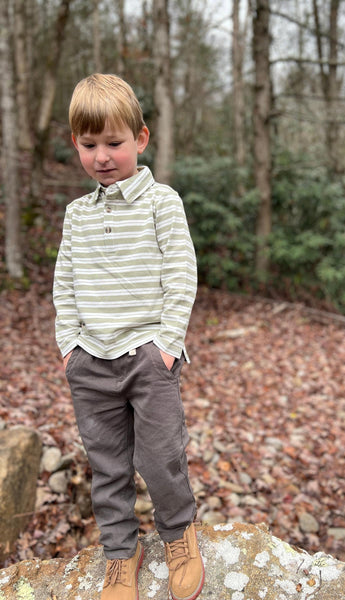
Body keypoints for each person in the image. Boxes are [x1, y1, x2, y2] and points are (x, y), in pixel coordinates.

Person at [53, 73, 204, 600]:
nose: (101, 156)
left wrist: (166, 344)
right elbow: (64, 283)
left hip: (146, 355)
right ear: (76, 144)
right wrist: (68, 346)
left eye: (113, 143)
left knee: (159, 455)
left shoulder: (162, 201)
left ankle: (179, 533)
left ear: (140, 139)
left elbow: (182, 273)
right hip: (90, 360)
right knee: (107, 464)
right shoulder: (77, 215)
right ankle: (121, 553)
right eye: (89, 145)